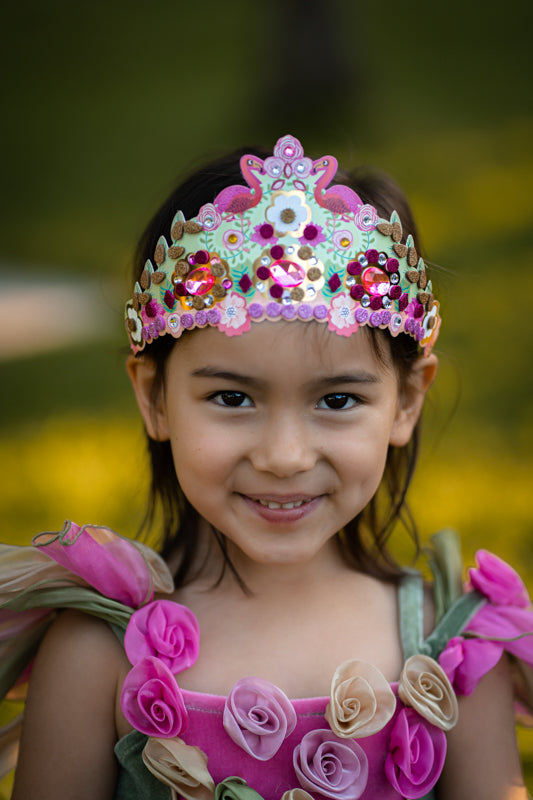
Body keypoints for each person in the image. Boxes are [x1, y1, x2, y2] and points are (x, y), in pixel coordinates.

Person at [1, 135, 531, 800]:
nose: (283, 456)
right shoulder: (95, 655)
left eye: (336, 400)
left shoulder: (452, 654)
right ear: (153, 397)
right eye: (232, 398)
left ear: (407, 400)